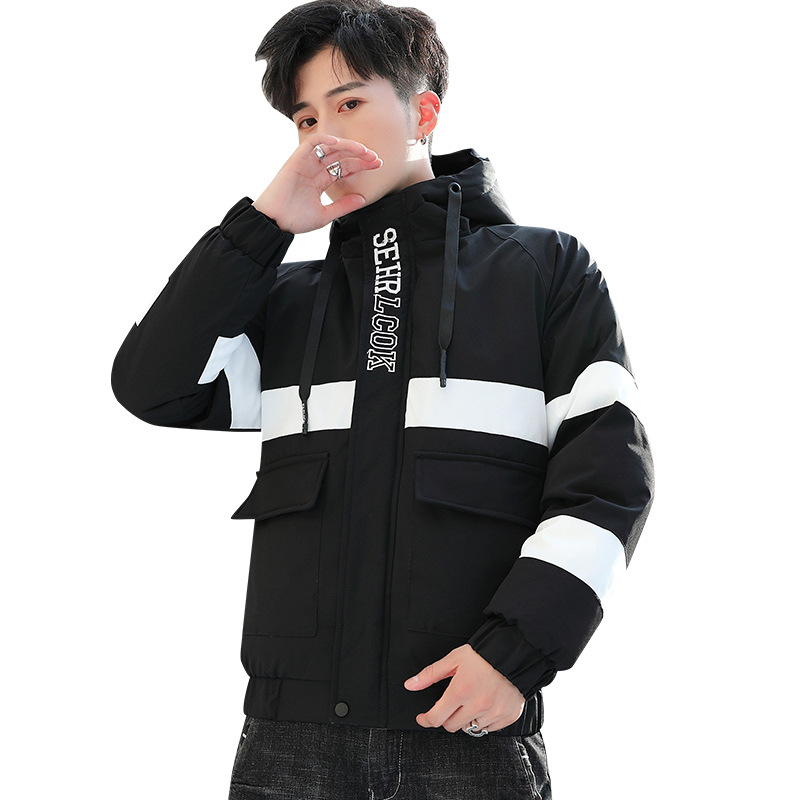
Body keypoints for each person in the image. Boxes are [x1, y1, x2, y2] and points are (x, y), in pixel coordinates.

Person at [110, 1, 654, 797]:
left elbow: (609, 481)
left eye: (349, 103)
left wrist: (516, 654)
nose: (322, 138)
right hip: (287, 744)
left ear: (423, 113)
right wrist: (265, 225)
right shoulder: (288, 302)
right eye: (305, 119)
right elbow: (150, 385)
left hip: (464, 728)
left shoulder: (544, 272)